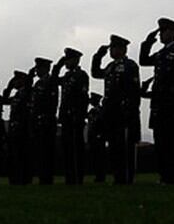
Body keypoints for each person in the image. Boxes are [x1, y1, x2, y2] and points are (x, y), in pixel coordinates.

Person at [138, 17, 174, 184]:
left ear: (173, 32)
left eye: (163, 31)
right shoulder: (160, 54)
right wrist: (147, 42)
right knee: (161, 142)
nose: (160, 35)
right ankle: (165, 175)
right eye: (160, 31)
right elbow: (143, 60)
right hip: (159, 104)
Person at [91, 35, 141, 185]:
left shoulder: (129, 65)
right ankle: (118, 176)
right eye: (111, 48)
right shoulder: (110, 67)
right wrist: (97, 56)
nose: (111, 51)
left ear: (122, 49)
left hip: (123, 112)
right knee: (114, 146)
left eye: (114, 48)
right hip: (110, 113)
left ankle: (126, 177)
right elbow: (95, 73)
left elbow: (134, 91)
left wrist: (130, 110)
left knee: (125, 146)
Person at [57, 48, 89, 185]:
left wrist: (79, 114)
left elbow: (83, 97)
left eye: (68, 59)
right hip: (66, 118)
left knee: (76, 149)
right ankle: (69, 177)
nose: (66, 62)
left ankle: (77, 177)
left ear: (76, 60)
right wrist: (57, 66)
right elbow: (53, 80)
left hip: (75, 117)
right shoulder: (67, 77)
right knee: (67, 149)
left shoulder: (81, 75)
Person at [30, 57, 59, 185]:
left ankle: (47, 178)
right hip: (38, 121)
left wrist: (45, 116)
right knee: (40, 151)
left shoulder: (50, 81)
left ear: (45, 68)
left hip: (47, 120)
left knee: (47, 151)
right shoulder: (38, 84)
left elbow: (51, 102)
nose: (37, 71)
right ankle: (42, 177)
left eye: (39, 68)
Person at [3, 69, 33, 185]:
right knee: (14, 156)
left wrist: (27, 79)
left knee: (23, 156)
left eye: (16, 80)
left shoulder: (26, 92)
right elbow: (5, 100)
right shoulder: (17, 94)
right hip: (15, 129)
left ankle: (24, 179)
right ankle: (16, 179)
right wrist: (9, 87)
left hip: (23, 128)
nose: (14, 82)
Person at [86, 92, 107, 183]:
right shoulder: (92, 112)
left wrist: (101, 135)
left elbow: (103, 125)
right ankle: (97, 175)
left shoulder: (101, 111)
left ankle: (101, 176)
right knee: (95, 158)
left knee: (100, 158)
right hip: (92, 137)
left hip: (99, 137)